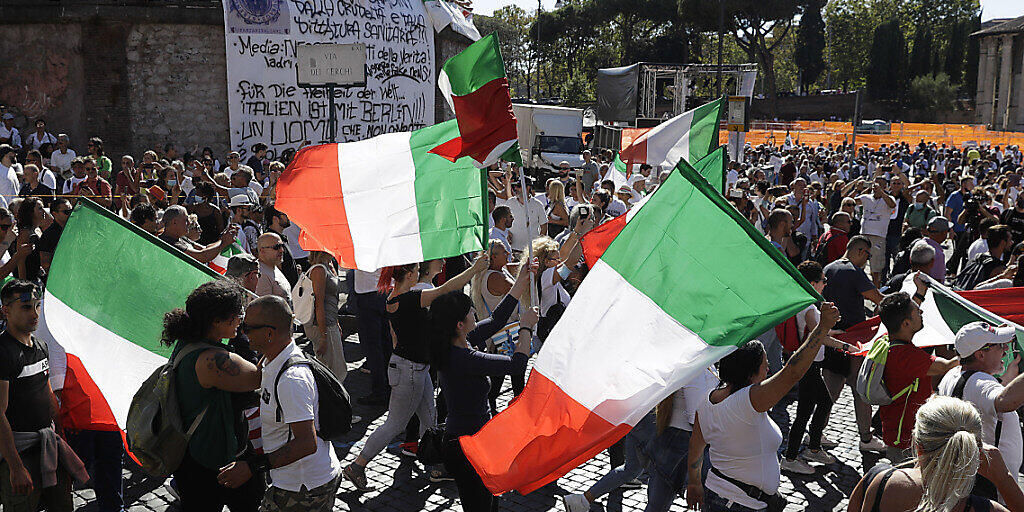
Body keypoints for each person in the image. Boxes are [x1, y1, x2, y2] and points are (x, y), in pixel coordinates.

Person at [342, 255, 489, 490]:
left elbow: (395, 337)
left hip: (411, 366)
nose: (420, 272)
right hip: (410, 369)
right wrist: (474, 269)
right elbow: (447, 288)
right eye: (417, 269)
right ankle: (357, 466)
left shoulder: (393, 297)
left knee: (429, 419)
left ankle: (437, 466)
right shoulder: (409, 299)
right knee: (395, 424)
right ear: (409, 274)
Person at [685, 303, 841, 512]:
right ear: (749, 372)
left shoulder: (707, 400)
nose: (768, 369)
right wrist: (822, 328)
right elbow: (792, 372)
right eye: (764, 365)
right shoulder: (748, 401)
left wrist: (694, 483)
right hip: (739, 505)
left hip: (721, 495)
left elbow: (696, 449)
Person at [428, 261, 539, 512]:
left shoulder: (457, 343)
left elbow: (497, 319)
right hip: (467, 446)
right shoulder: (464, 358)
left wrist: (520, 281)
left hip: (477, 441)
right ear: (459, 324)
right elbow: (516, 365)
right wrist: (526, 327)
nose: (474, 315)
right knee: (479, 506)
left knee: (489, 502)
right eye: (470, 312)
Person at [216, 296, 342, 512]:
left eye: (248, 327)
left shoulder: (291, 380)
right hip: (297, 481)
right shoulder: (271, 360)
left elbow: (306, 443)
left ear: (269, 333)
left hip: (304, 488)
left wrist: (251, 467)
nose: (242, 332)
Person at [163, 281, 264, 511]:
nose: (241, 320)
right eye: (237, 315)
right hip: (210, 460)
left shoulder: (189, 342)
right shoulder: (214, 360)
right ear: (216, 321)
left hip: (195, 456)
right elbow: (259, 378)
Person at [850, 395, 1024, 512]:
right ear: (972, 451)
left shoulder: (877, 481)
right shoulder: (984, 509)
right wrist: (1004, 479)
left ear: (917, 445)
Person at [0, 280, 85, 512]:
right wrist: (15, 467)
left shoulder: (41, 346)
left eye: (38, 306)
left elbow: (48, 395)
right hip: (20, 454)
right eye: (27, 307)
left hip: (49, 448)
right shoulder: (3, 352)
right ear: (5, 311)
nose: (35, 313)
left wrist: (62, 444)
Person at [781, 262, 858, 475]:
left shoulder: (805, 305)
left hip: (810, 365)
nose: (825, 284)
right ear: (813, 283)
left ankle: (813, 448)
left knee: (823, 402)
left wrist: (837, 333)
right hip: (809, 365)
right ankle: (791, 457)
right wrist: (844, 345)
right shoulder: (809, 309)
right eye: (823, 281)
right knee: (804, 412)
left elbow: (819, 333)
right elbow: (819, 337)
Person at [937, 321, 1024, 500]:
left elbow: (981, 395)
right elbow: (1005, 401)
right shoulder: (980, 384)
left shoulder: (952, 374)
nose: (1005, 350)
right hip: (994, 491)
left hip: (967, 481)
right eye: (1000, 345)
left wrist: (1007, 377)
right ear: (980, 354)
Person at [876, 284, 960, 463]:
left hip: (899, 430)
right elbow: (946, 366)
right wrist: (977, 342)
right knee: (905, 486)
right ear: (906, 323)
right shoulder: (906, 355)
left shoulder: (890, 340)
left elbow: (903, 313)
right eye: (918, 312)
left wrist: (920, 293)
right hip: (905, 439)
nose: (922, 313)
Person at [303, 250, 347, 383]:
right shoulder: (319, 270)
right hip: (322, 325)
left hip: (330, 322)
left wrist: (336, 322)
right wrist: (323, 336)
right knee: (334, 372)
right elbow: (318, 304)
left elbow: (332, 298)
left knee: (337, 369)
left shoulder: (329, 265)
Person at [854, 177, 897, 287]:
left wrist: (881, 193)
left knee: (876, 268)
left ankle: (876, 291)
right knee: (859, 264)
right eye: (875, 184)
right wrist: (857, 189)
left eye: (880, 184)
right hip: (863, 235)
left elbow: (892, 205)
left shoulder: (889, 198)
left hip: (878, 236)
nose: (876, 186)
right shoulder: (866, 197)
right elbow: (850, 202)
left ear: (884, 187)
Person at [14, 198, 45, 283]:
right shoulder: (25, 232)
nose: (43, 211)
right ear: (31, 212)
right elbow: (21, 261)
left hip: (37, 277)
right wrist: (23, 284)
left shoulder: (38, 229)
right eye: (40, 209)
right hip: (28, 280)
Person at [254, 233, 291, 301]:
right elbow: (264, 306)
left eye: (282, 246)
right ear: (262, 251)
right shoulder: (260, 274)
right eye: (276, 247)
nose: (281, 250)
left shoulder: (273, 266)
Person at [38, 199, 70, 272]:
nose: (70, 214)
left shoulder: (76, 228)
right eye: (66, 212)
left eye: (71, 210)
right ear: (55, 214)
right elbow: (46, 264)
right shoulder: (48, 235)